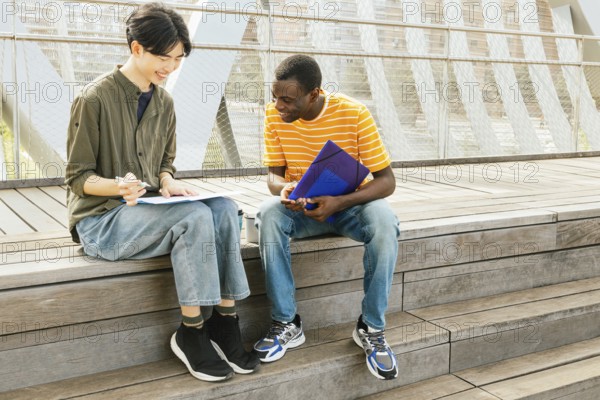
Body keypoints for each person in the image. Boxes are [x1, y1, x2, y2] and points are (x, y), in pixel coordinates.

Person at [65, 2, 259, 382]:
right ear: (136, 48)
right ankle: (191, 331)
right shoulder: (93, 99)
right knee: (193, 216)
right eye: (163, 58)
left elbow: (164, 164)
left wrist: (167, 180)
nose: (170, 68)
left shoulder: (165, 102)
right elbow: (77, 178)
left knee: (222, 208)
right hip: (102, 222)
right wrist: (119, 187)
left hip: (147, 211)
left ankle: (225, 320)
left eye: (178, 59)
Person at [253, 55, 400, 380]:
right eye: (275, 96)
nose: (279, 106)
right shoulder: (273, 115)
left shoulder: (353, 113)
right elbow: (273, 177)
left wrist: (339, 202)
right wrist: (285, 189)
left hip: (348, 206)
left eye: (288, 99)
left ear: (314, 94)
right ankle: (286, 322)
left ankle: (371, 327)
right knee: (267, 213)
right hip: (301, 209)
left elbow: (387, 182)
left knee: (385, 222)